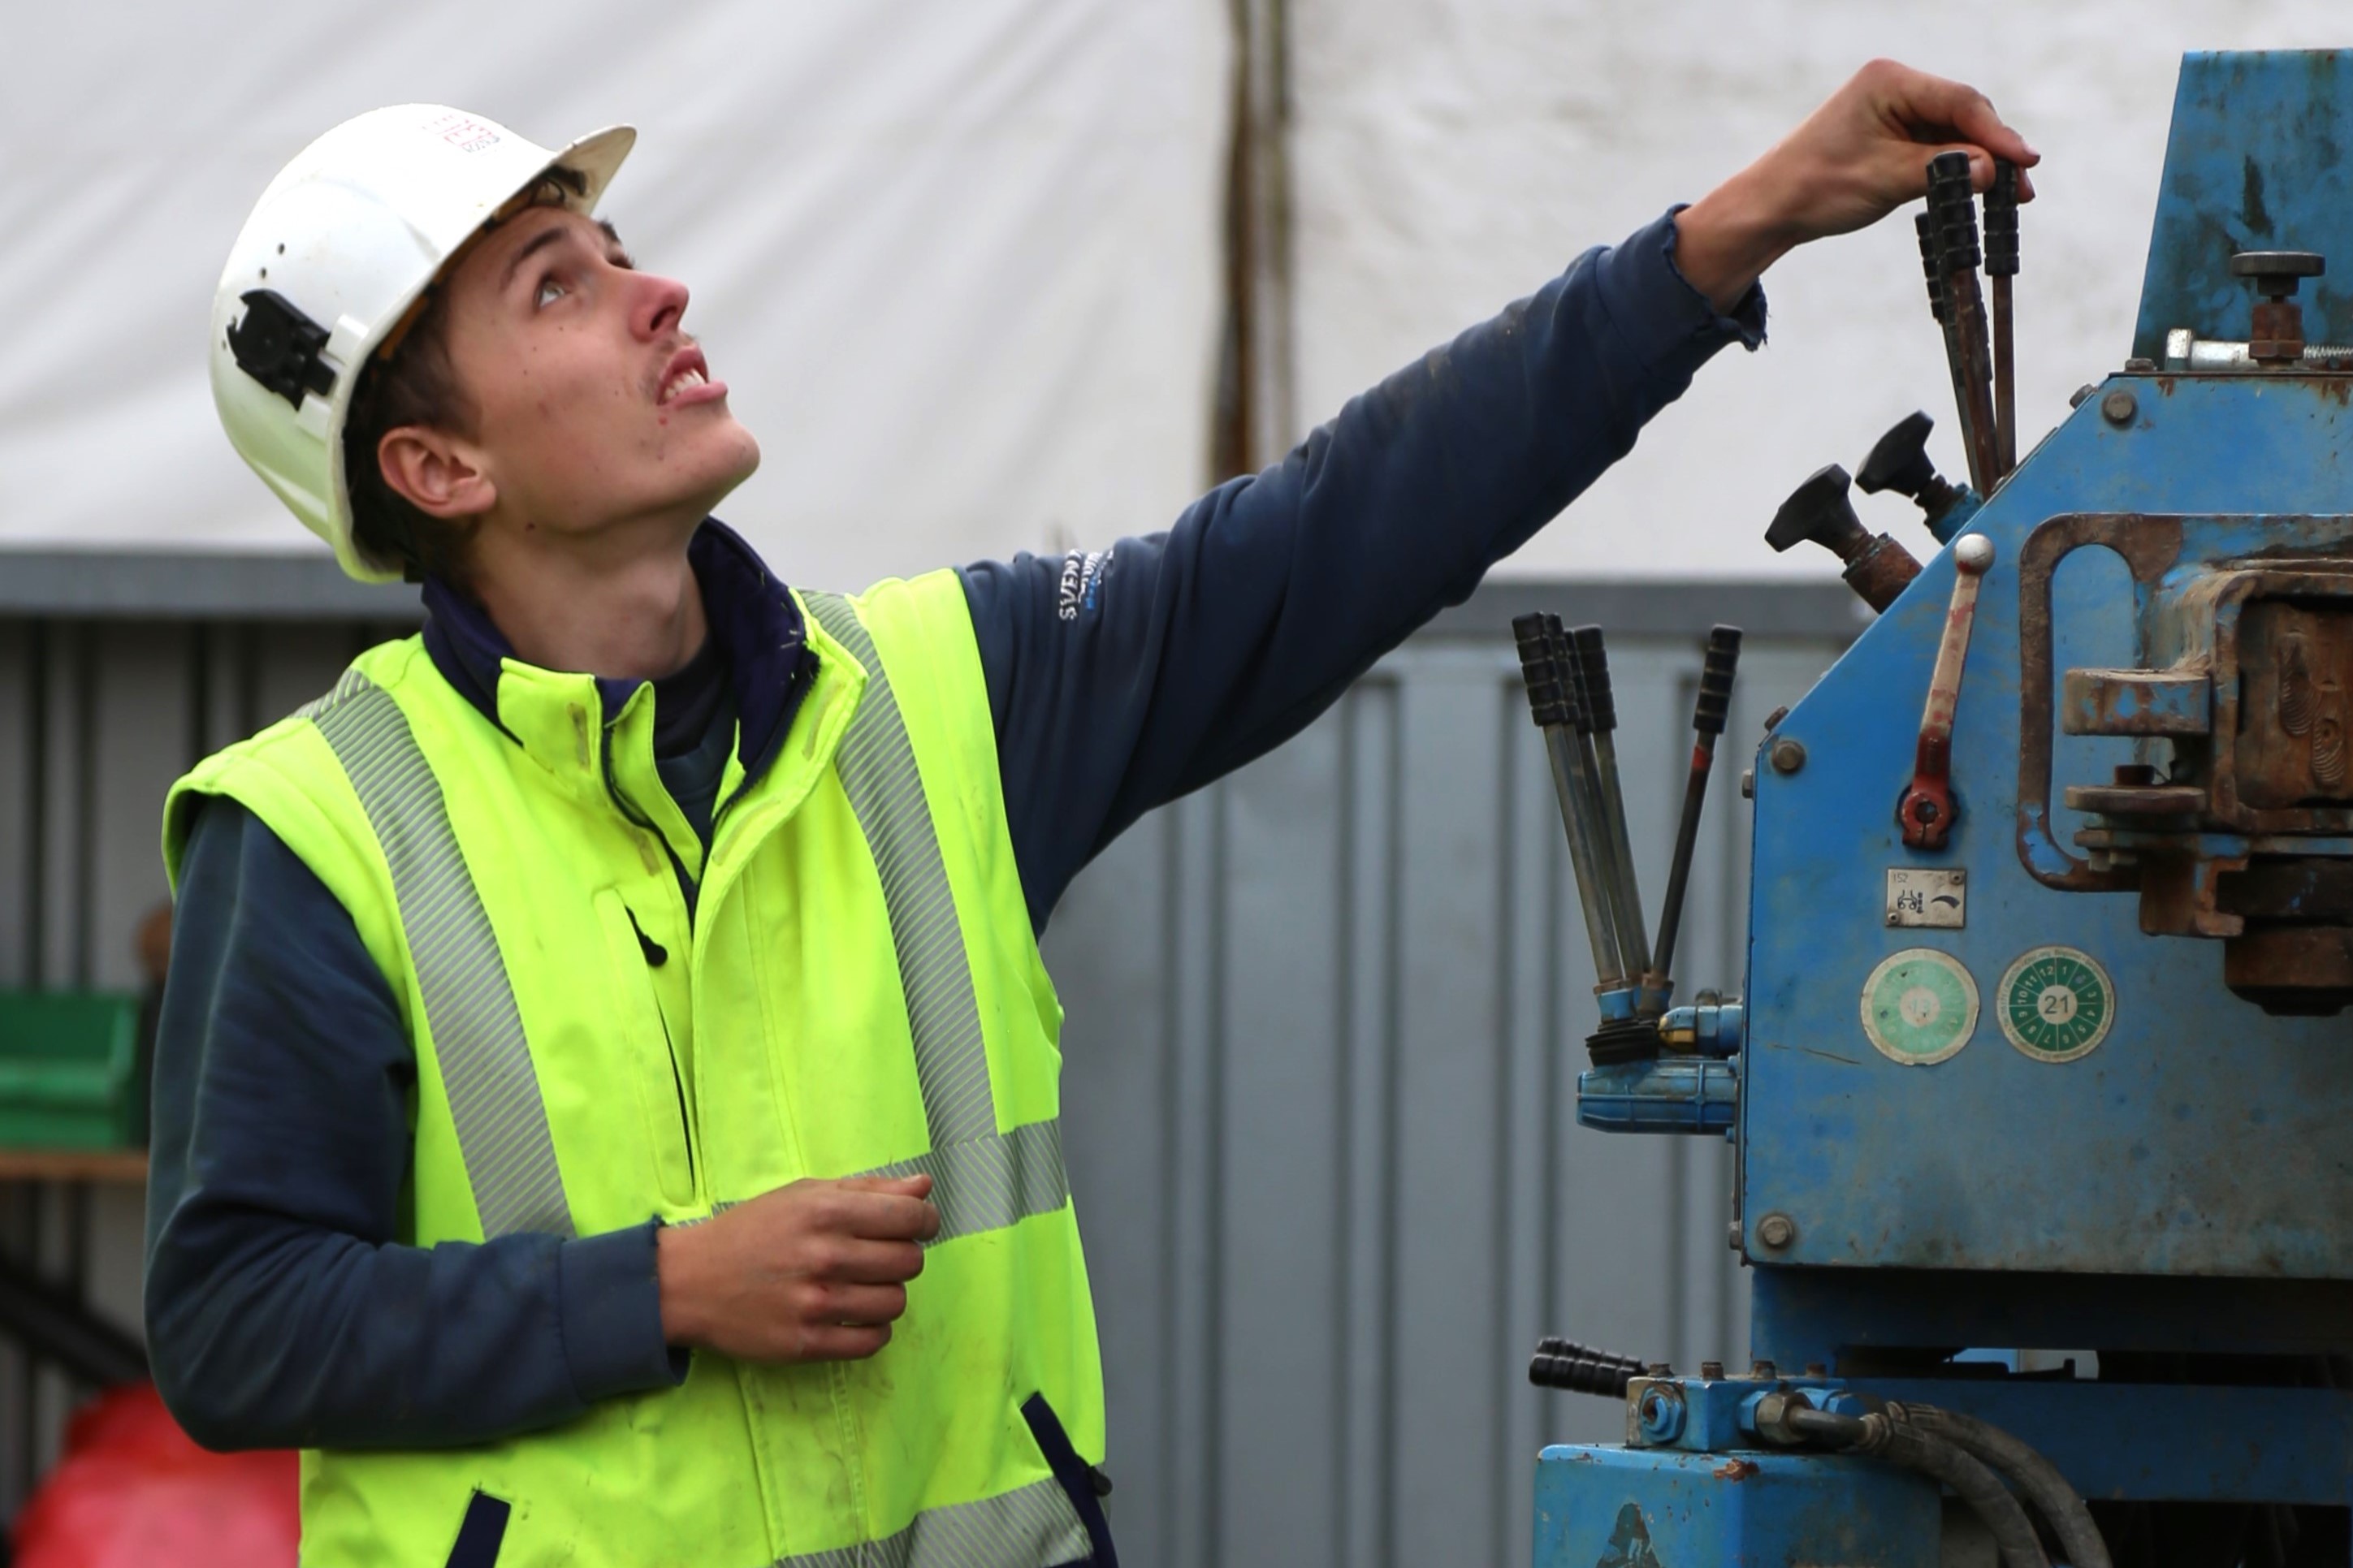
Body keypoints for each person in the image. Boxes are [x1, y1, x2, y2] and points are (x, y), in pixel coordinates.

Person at [149, 65, 2035, 1567]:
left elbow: (1340, 523)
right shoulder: (323, 830)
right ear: (437, 463)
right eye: (557, 286)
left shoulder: (941, 695)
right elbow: (237, 1326)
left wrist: (1731, 234)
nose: (662, 293)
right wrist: (664, 1290)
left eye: (618, 242)